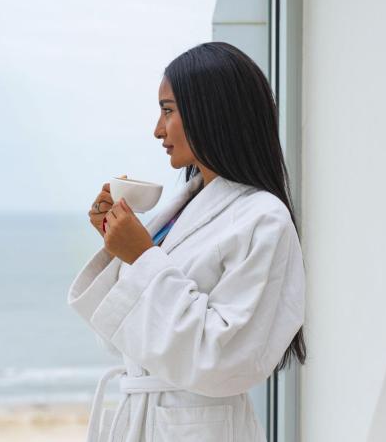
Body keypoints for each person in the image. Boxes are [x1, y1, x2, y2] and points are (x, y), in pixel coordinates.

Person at [68, 41, 306, 442]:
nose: (157, 130)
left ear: (210, 112)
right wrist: (119, 248)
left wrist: (141, 256)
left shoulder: (264, 218)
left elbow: (226, 355)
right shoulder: (182, 211)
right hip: (142, 420)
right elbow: (120, 339)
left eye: (167, 111)